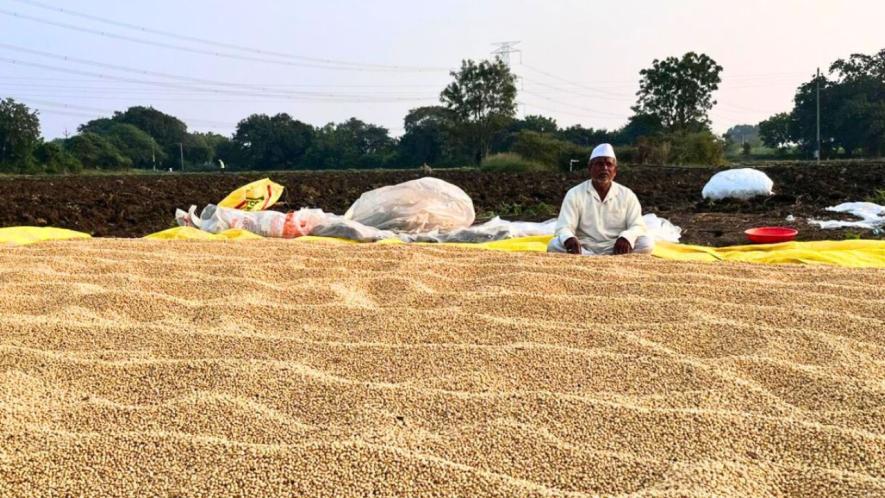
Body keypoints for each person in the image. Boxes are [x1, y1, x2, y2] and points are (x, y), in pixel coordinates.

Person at [548, 143, 655, 256]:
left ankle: (589, 259)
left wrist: (626, 238)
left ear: (615, 170)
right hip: (584, 246)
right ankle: (598, 258)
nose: (605, 168)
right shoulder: (575, 193)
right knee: (554, 245)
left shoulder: (627, 195)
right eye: (599, 164)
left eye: (609, 164)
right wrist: (569, 239)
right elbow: (564, 226)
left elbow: (637, 225)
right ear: (590, 168)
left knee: (647, 243)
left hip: (616, 247)